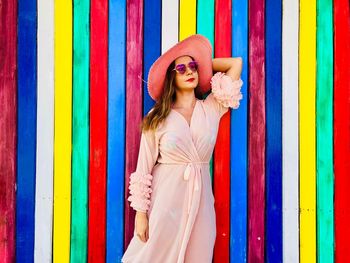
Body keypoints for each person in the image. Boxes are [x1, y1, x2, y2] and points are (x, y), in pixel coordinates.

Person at [121, 34, 243, 263]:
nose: (189, 72)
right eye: (181, 68)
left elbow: (235, 63)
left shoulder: (212, 108)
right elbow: (143, 167)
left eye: (193, 67)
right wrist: (141, 214)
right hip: (165, 202)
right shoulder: (157, 117)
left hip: (201, 203)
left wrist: (206, 65)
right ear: (171, 77)